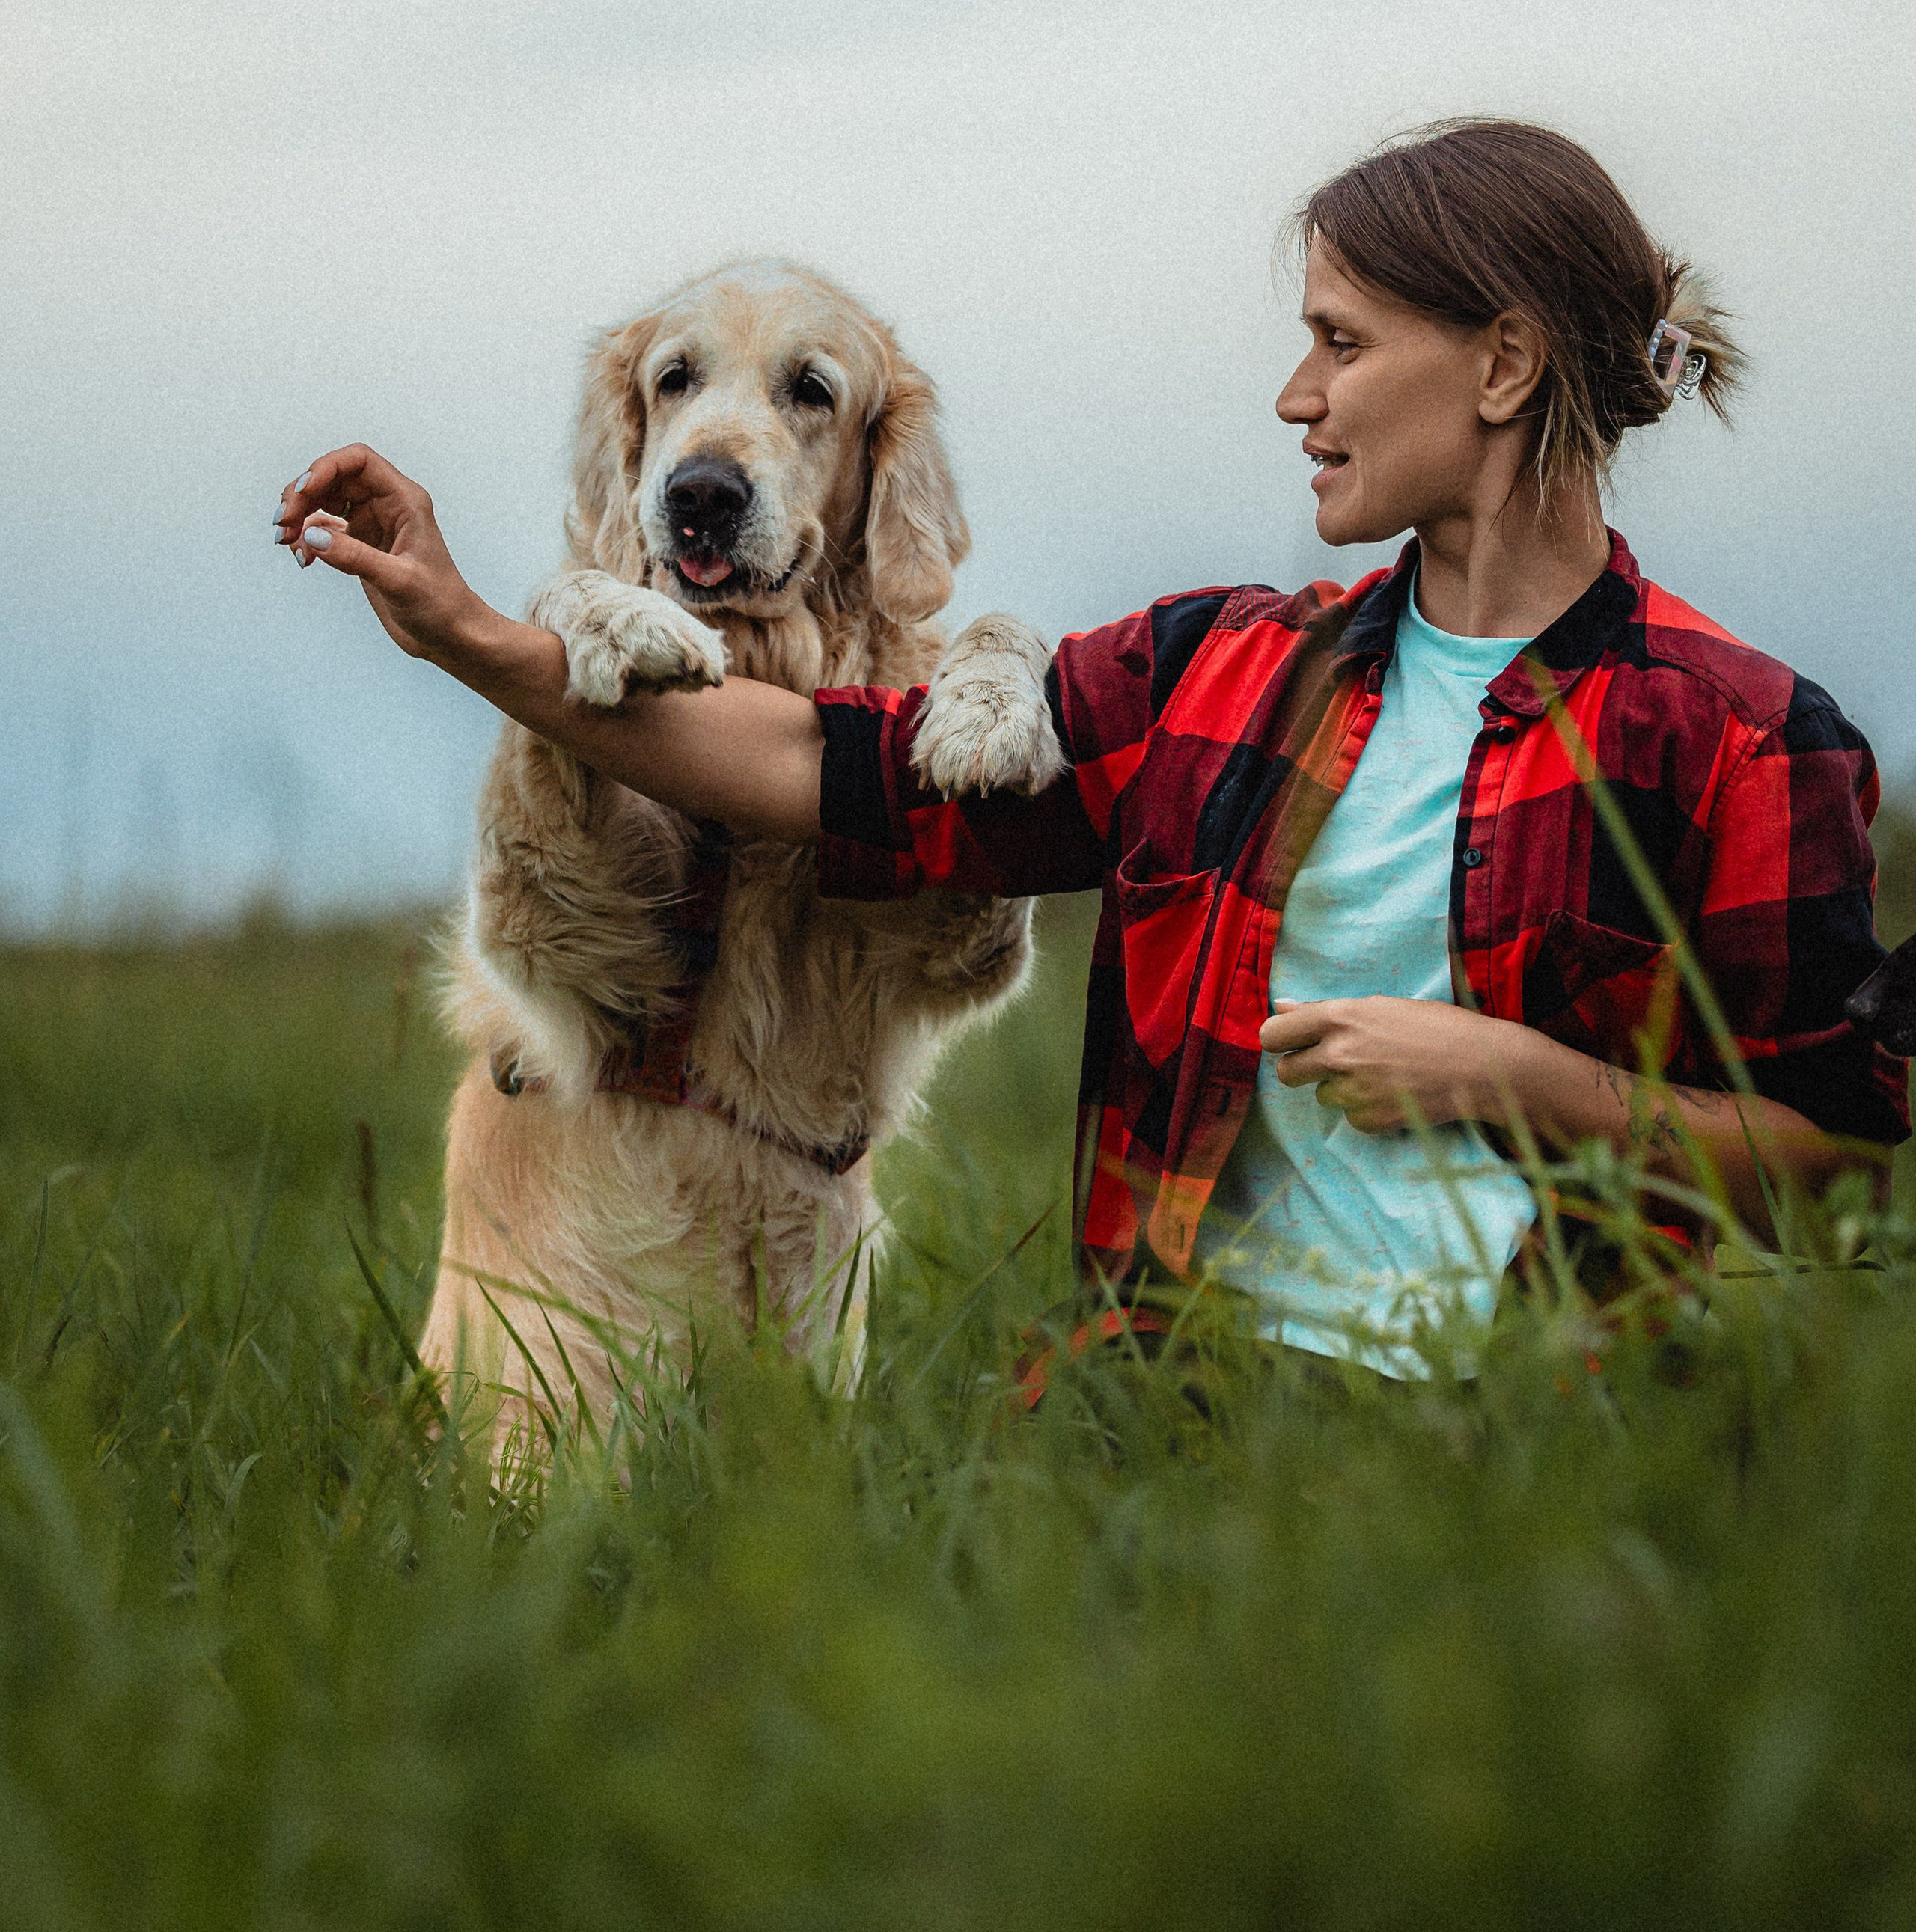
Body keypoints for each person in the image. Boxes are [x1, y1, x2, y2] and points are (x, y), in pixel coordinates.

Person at [275, 120, 1906, 1378]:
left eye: (1340, 343)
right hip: (1187, 1418)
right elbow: (821, 768)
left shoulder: (1744, 740)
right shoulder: (1213, 676)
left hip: (1550, 1428)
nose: (1293, 392)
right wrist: (474, 632)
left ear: (1499, 362)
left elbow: (1840, 1161)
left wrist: (1518, 1084)